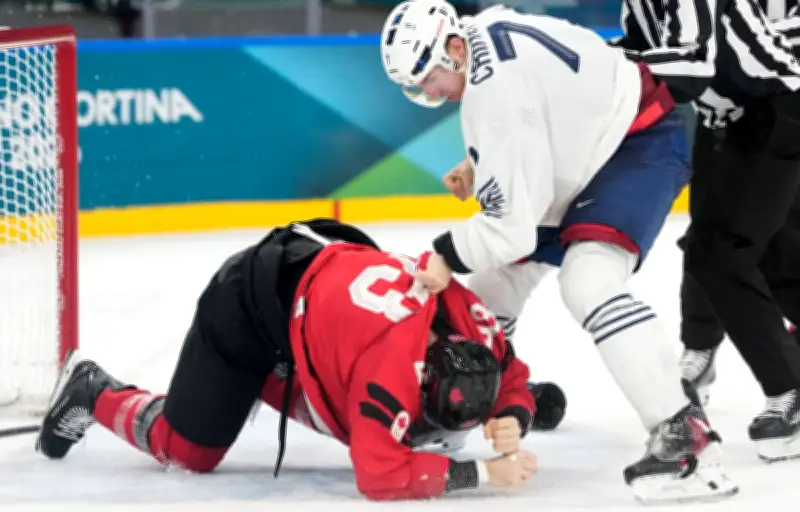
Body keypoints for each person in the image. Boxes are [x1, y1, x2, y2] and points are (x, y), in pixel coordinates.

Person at [379, 0, 736, 504]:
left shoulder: (494, 96)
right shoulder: (486, 24)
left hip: (634, 145)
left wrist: (443, 254)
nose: (429, 91)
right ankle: (470, 403)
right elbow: (543, 100)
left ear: (455, 49)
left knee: (589, 280)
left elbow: (511, 230)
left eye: (427, 78)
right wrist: (481, 162)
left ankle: (682, 432)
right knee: (487, 293)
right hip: (592, 146)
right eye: (417, 89)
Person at [34, 219, 552, 501]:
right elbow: (381, 476)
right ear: (420, 374)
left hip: (325, 282)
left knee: (427, 432)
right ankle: (92, 389)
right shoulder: (390, 368)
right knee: (188, 452)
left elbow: (514, 376)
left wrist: (513, 413)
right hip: (250, 304)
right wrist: (483, 477)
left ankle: (273, 381)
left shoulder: (476, 324)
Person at [612, 0, 800, 462]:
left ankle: (788, 390)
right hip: (728, 120)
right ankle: (701, 349)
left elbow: (694, 62)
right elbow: (639, 48)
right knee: (718, 247)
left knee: (725, 255)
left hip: (777, 109)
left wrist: (609, 60)